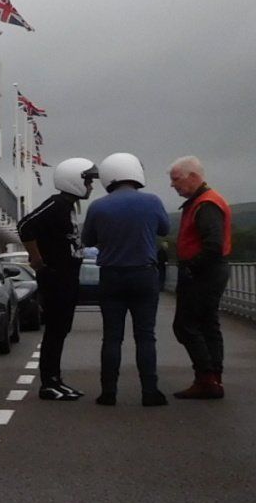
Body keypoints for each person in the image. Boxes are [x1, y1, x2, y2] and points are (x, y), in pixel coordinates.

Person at [80, 152, 171, 406]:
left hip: (111, 275)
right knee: (145, 335)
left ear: (110, 176)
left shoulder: (98, 206)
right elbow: (164, 229)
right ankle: (150, 391)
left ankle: (108, 392)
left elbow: (87, 240)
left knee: (112, 337)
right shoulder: (152, 201)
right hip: (144, 274)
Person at [20, 156, 98, 400]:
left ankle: (56, 379)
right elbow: (25, 225)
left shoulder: (70, 207)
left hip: (68, 278)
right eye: (87, 180)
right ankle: (49, 383)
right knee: (54, 331)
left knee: (62, 330)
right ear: (74, 180)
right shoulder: (55, 204)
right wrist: (36, 258)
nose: (91, 186)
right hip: (55, 279)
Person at [168, 155, 231, 399]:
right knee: (207, 324)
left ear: (193, 177)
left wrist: (191, 267)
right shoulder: (205, 201)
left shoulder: (206, 204)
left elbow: (213, 244)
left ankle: (206, 378)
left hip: (204, 272)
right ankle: (213, 378)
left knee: (186, 325)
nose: (173, 185)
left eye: (176, 180)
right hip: (211, 270)